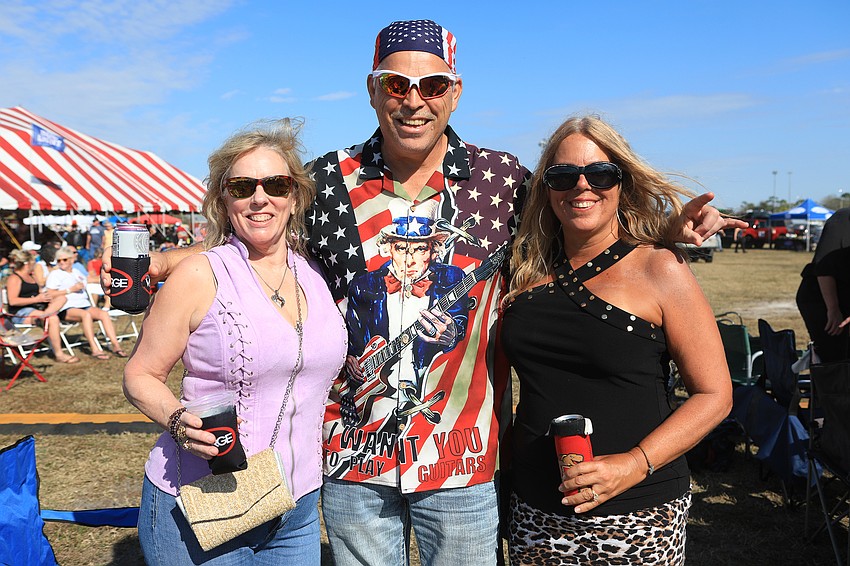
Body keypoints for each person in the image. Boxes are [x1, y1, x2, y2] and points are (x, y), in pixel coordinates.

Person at [103, 20, 741, 566]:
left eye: (432, 85)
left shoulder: (503, 181)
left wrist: (666, 233)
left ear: (455, 93)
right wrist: (161, 261)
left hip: (464, 462)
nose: (414, 101)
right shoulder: (324, 182)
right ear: (372, 90)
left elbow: (578, 218)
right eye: (396, 85)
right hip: (352, 458)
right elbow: (260, 244)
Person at [501, 114, 733, 564]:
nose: (581, 185)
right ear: (545, 189)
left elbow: (715, 395)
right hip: (534, 508)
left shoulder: (660, 267)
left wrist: (633, 464)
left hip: (637, 512)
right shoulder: (525, 271)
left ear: (622, 182)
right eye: (562, 175)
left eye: (600, 173)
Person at [122, 118, 347, 565]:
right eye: (242, 187)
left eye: (276, 184)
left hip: (296, 507)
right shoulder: (198, 275)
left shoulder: (317, 273)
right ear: (224, 200)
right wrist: (179, 421)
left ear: (295, 196)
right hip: (200, 504)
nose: (260, 198)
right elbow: (139, 374)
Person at [45, 246, 125, 360]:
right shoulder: (55, 274)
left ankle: (116, 346)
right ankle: (95, 349)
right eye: (59, 260)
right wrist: (70, 290)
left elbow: (90, 279)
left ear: (71, 260)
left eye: (64, 259)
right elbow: (49, 294)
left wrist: (112, 278)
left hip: (84, 305)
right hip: (66, 307)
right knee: (85, 315)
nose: (61, 262)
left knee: (103, 314)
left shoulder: (76, 272)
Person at [796, 207, 850, 363]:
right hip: (822, 298)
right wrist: (833, 308)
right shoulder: (843, 219)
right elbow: (823, 267)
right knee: (834, 356)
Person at [5, 249, 78, 364]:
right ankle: (59, 354)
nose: (35, 265)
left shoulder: (31, 277)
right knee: (53, 319)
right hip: (21, 313)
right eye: (34, 262)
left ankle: (45, 315)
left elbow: (37, 294)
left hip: (37, 308)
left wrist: (45, 297)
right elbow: (13, 301)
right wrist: (37, 299)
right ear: (27, 263)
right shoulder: (14, 278)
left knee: (62, 298)